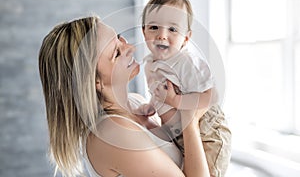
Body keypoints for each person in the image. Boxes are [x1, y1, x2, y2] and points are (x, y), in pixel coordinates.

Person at [38, 15, 213, 177]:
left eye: (120, 38)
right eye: (116, 53)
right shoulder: (111, 134)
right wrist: (191, 120)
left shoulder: (136, 102)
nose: (130, 47)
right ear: (94, 81)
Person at [141, 0, 232, 177]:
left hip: (208, 132)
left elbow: (210, 96)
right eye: (154, 27)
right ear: (143, 31)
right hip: (179, 133)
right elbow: (158, 92)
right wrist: (151, 105)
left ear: (186, 38)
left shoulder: (188, 63)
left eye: (172, 29)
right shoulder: (149, 64)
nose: (162, 35)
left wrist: (175, 101)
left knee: (208, 172)